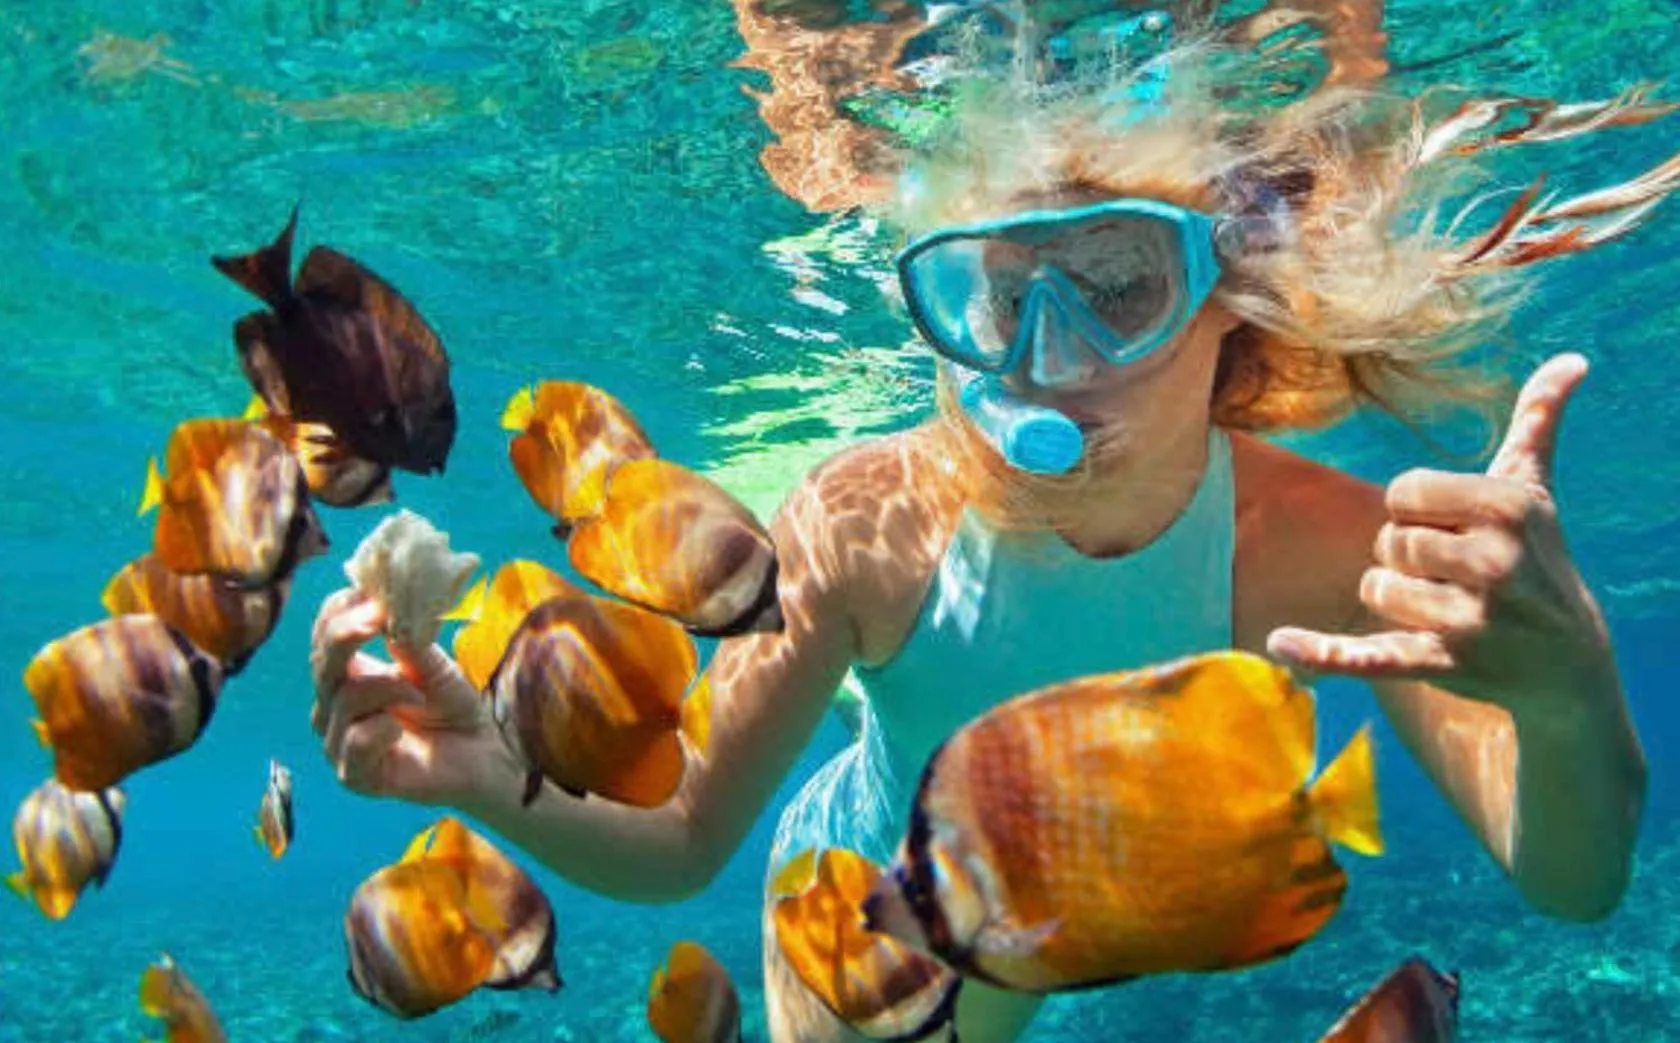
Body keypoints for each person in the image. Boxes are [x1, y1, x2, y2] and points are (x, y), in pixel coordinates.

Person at [307, 26, 1673, 1043]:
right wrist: (485, 772)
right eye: (1000, 296)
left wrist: (1566, 686)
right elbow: (678, 841)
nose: (1047, 360)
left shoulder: (1326, 543)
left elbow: (1570, 882)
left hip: (1068, 893)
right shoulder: (864, 528)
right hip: (872, 898)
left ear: (1231, 303)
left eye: (1118, 283)